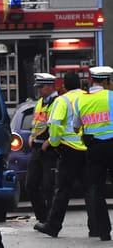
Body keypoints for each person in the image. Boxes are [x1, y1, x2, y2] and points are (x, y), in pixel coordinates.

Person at [33, 71, 96, 238]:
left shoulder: (63, 100)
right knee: (90, 189)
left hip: (68, 150)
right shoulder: (88, 97)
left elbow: (54, 125)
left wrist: (52, 143)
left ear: (65, 86)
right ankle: (96, 227)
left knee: (62, 191)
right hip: (88, 148)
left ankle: (53, 226)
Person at [71, 66, 113, 241]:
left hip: (94, 149)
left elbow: (75, 126)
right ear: (105, 81)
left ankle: (103, 231)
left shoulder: (81, 101)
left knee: (96, 189)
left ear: (92, 80)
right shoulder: (111, 96)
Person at [26, 73, 59, 224]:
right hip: (37, 148)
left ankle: (51, 219)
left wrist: (51, 141)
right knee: (31, 185)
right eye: (38, 87)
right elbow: (37, 123)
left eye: (41, 86)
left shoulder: (58, 102)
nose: (39, 90)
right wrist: (32, 136)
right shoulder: (40, 102)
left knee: (49, 186)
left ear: (51, 86)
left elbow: (60, 125)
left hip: (51, 149)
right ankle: (42, 217)